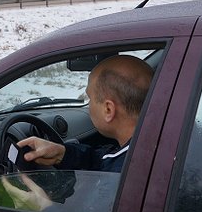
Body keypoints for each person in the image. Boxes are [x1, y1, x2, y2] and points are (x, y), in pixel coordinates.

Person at [19, 54, 154, 173]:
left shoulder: (119, 176)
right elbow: (105, 159)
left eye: (90, 98)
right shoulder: (150, 145)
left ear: (108, 109)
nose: (89, 104)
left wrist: (41, 202)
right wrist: (63, 154)